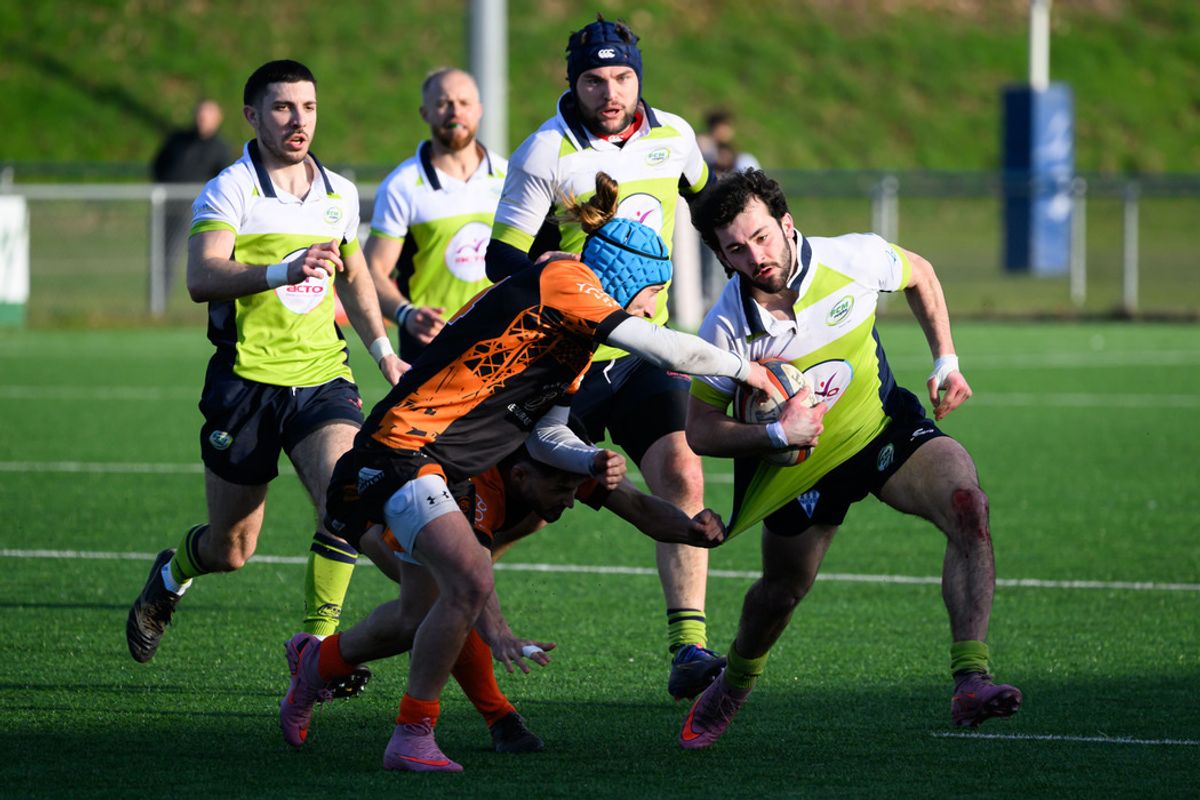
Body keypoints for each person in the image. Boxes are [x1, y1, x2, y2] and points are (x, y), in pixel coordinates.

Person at [279, 174, 776, 773]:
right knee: (470, 578)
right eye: (652, 295)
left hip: (442, 465)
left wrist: (588, 461)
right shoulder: (566, 283)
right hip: (402, 446)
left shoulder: (576, 343)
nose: (651, 308)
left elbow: (547, 434)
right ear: (625, 280)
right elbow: (668, 348)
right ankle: (412, 733)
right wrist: (749, 371)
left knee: (417, 616)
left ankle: (315, 665)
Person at [677, 169, 1023, 749]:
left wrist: (946, 359)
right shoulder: (726, 329)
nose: (755, 257)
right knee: (780, 593)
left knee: (968, 504)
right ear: (720, 255)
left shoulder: (853, 259)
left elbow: (920, 273)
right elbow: (700, 430)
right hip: (800, 467)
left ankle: (971, 678)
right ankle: (732, 684)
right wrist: (776, 434)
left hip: (880, 427)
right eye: (735, 249)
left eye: (761, 237)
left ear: (787, 224)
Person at [125, 61, 406, 672]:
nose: (298, 120)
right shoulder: (230, 189)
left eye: (308, 107)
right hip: (246, 385)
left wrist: (383, 353)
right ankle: (171, 575)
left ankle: (317, 651)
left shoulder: (337, 192)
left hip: (322, 379)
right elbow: (202, 276)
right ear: (253, 116)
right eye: (282, 107)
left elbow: (354, 274)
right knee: (231, 549)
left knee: (343, 500)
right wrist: (284, 269)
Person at [485, 13, 725, 703]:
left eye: (622, 77)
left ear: (638, 78)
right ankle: (452, 580)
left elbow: (712, 208)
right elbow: (501, 258)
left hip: (644, 351)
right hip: (567, 358)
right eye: (594, 80)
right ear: (574, 83)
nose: (610, 92)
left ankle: (689, 647)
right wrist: (560, 272)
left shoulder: (675, 137)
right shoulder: (545, 152)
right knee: (532, 507)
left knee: (681, 470)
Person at [288, 425, 729, 756]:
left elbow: (638, 507)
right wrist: (498, 632)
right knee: (436, 605)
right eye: (561, 490)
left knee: (438, 606)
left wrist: (691, 530)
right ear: (519, 476)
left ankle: (317, 663)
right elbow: (468, 574)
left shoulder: (562, 456)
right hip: (374, 495)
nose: (570, 500)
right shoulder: (477, 481)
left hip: (432, 486)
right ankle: (483, 719)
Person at [364, 68, 508, 363]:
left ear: (479, 110)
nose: (455, 112)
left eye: (464, 103)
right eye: (443, 103)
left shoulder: (509, 176)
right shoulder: (402, 186)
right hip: (431, 348)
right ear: (425, 113)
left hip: (501, 341)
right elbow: (372, 271)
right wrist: (407, 314)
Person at [151, 99, 233, 293]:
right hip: (166, 204)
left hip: (195, 209)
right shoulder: (178, 140)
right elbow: (158, 165)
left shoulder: (220, 148)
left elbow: (221, 181)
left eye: (208, 116)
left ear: (217, 119)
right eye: (200, 115)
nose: (202, 120)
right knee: (160, 253)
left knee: (192, 252)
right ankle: (157, 298)